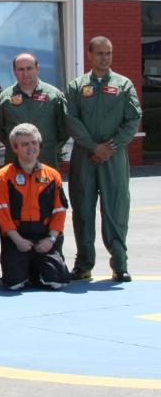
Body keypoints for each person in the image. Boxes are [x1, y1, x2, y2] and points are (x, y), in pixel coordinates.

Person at [65, 36, 142, 282]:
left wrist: (110, 147)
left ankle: (120, 264)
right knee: (83, 210)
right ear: (89, 55)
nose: (105, 58)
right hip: (84, 156)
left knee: (116, 209)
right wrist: (93, 147)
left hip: (114, 157)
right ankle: (83, 264)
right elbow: (71, 119)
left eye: (108, 53)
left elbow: (133, 119)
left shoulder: (123, 85)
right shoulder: (76, 86)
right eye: (100, 53)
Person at [0, 124, 70, 291]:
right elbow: (0, 212)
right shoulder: (3, 176)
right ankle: (27, 270)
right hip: (17, 237)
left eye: (34, 143)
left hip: (44, 237)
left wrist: (51, 239)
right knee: (14, 284)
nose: (31, 148)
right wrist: (18, 240)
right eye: (25, 144)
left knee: (59, 281)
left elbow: (60, 211)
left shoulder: (52, 175)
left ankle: (37, 269)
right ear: (15, 148)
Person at [0, 53, 69, 169]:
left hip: (46, 160)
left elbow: (64, 129)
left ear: (37, 69)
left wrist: (49, 147)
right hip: (15, 161)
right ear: (14, 71)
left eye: (29, 68)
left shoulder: (53, 96)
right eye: (21, 69)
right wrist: (18, 147)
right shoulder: (5, 98)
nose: (25, 73)